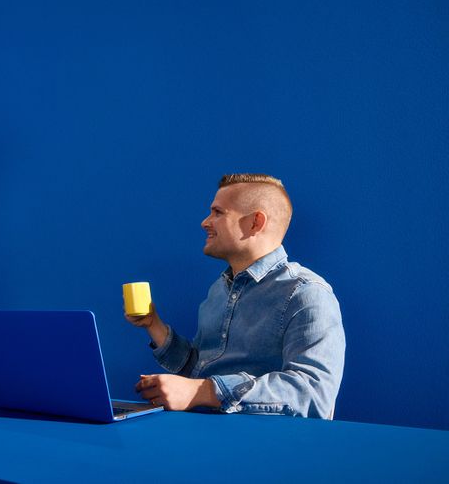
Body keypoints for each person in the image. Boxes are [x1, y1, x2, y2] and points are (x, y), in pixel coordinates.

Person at [127, 174, 344, 418]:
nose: (205, 222)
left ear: (255, 223)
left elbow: (313, 393)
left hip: (264, 447)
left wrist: (204, 391)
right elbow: (199, 369)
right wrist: (153, 325)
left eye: (218, 212)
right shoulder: (219, 290)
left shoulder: (306, 293)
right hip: (203, 435)